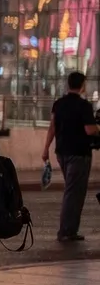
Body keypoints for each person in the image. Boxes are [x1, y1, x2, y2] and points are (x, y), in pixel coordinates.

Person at [43, 71, 97, 241]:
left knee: (72, 190)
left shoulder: (59, 104)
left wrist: (45, 149)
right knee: (74, 192)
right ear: (82, 85)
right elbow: (90, 129)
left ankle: (69, 229)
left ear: (68, 85)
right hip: (79, 153)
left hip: (62, 152)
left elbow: (52, 127)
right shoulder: (84, 106)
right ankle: (66, 231)